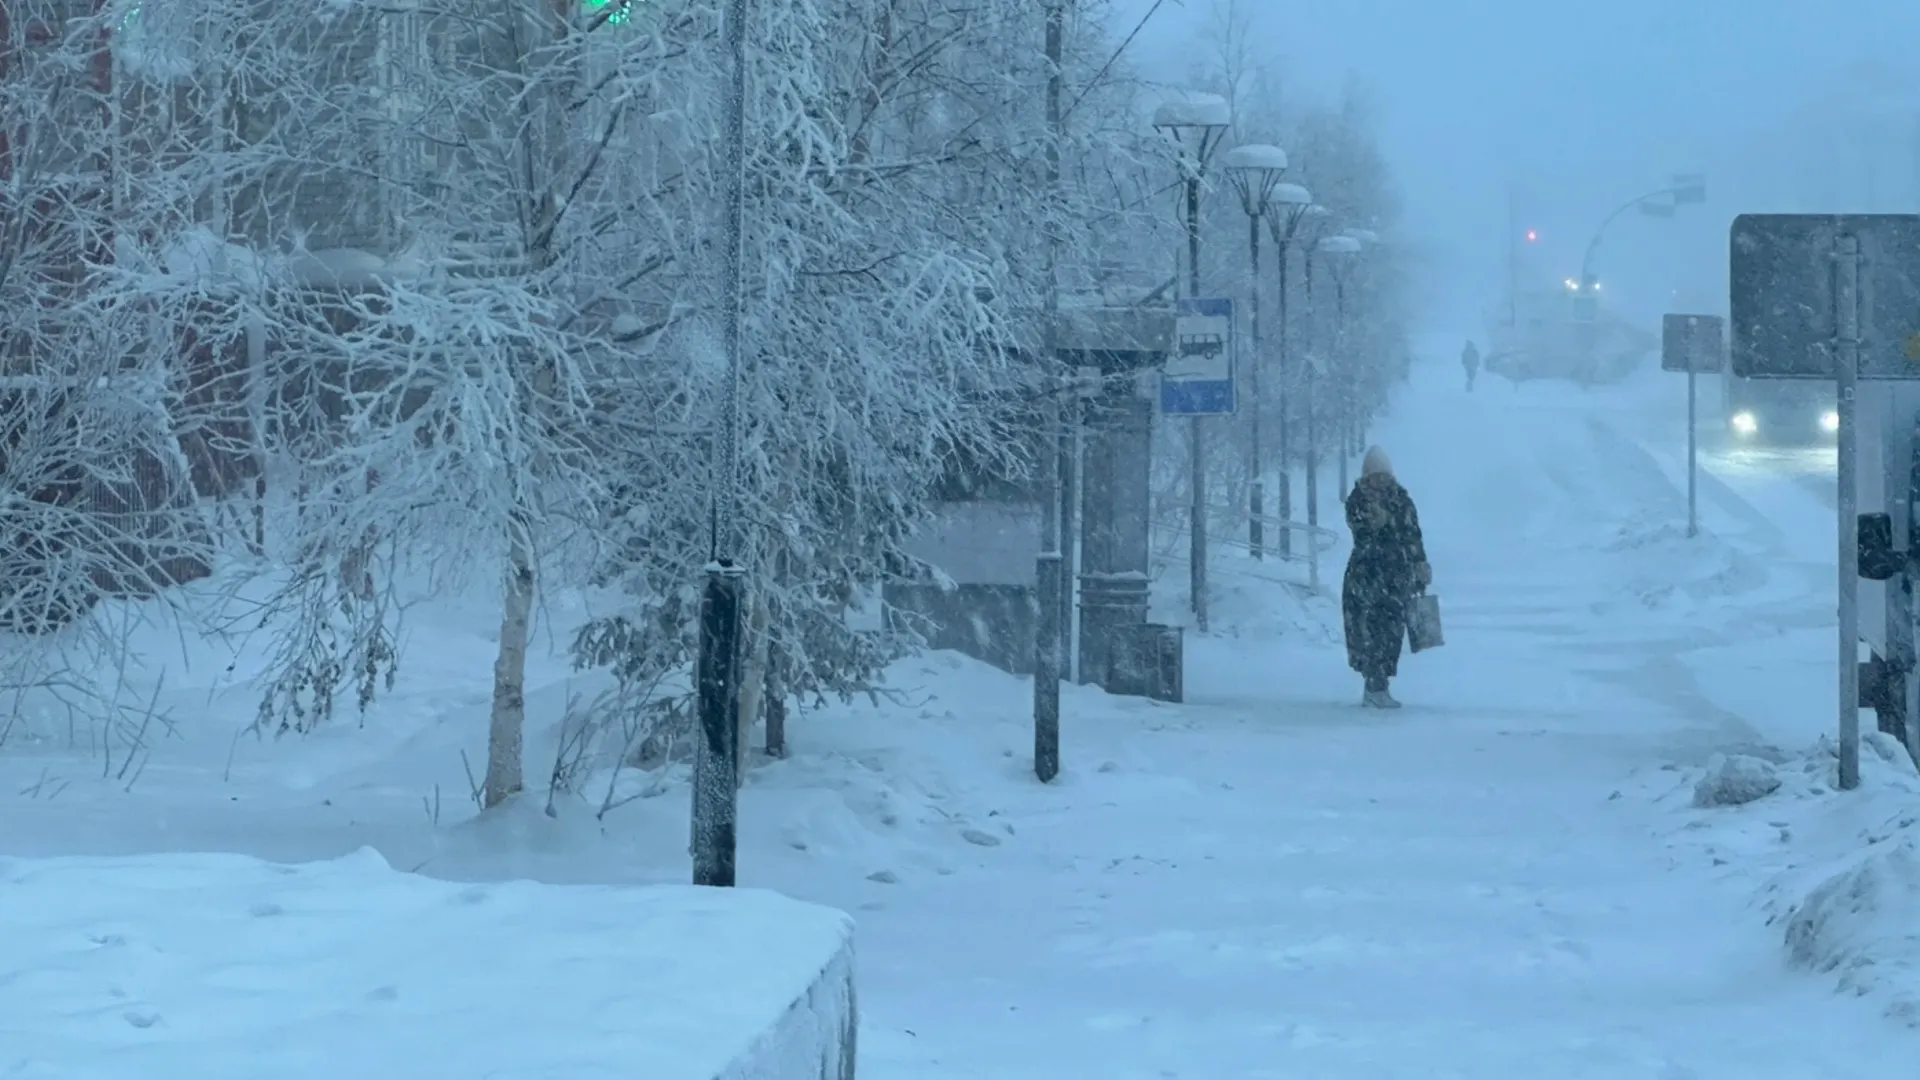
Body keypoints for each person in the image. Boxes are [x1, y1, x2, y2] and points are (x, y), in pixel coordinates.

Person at [1342, 446, 1431, 709]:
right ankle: (1373, 685)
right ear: (1367, 476)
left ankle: (1382, 686)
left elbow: (1413, 535)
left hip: (1396, 577)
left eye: (1384, 475)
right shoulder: (1358, 500)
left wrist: (1420, 564)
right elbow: (1363, 537)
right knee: (1369, 632)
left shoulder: (1402, 500)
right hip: (1366, 577)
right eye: (1375, 476)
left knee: (1392, 633)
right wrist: (1376, 523)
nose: (1381, 481)